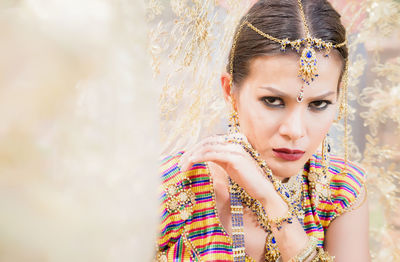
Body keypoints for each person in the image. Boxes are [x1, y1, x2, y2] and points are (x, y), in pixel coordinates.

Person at [156, 0, 369, 261]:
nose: (294, 130)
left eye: (319, 104)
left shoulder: (340, 191)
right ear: (229, 92)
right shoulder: (172, 187)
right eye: (273, 101)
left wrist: (272, 202)